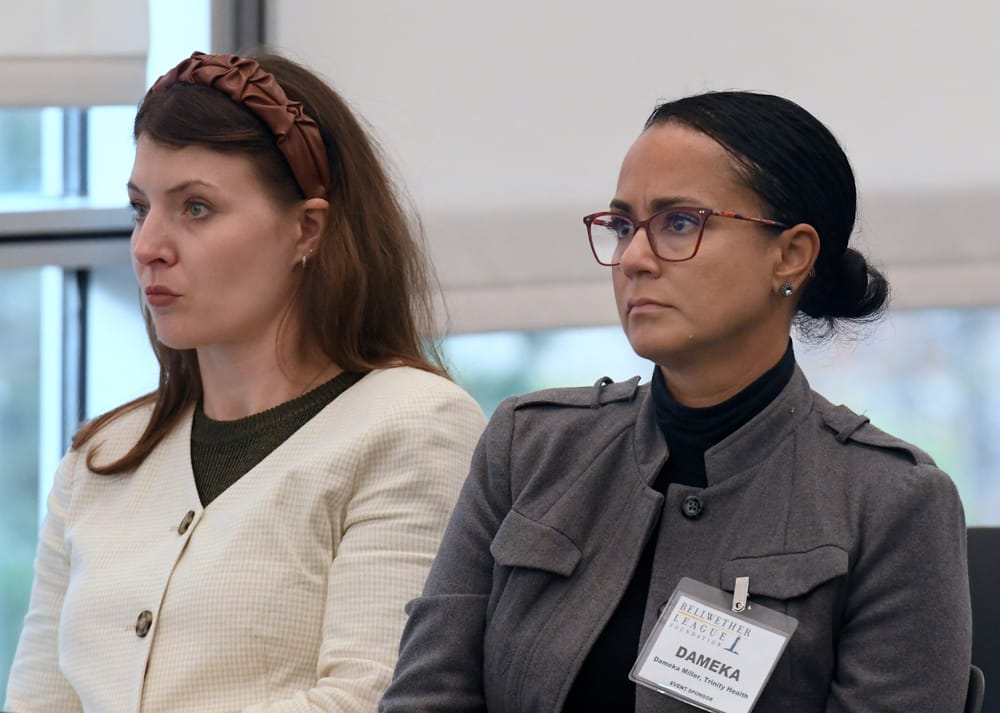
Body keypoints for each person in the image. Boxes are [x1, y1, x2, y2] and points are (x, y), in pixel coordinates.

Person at [380, 91, 972, 712]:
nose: (634, 259)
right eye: (622, 227)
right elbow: (426, 697)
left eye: (680, 223)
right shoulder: (528, 447)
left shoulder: (890, 504)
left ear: (790, 256)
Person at [5, 51, 486, 713]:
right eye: (140, 208)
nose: (147, 246)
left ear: (307, 229)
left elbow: (368, 700)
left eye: (196, 207)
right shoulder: (100, 459)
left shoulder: (414, 425)